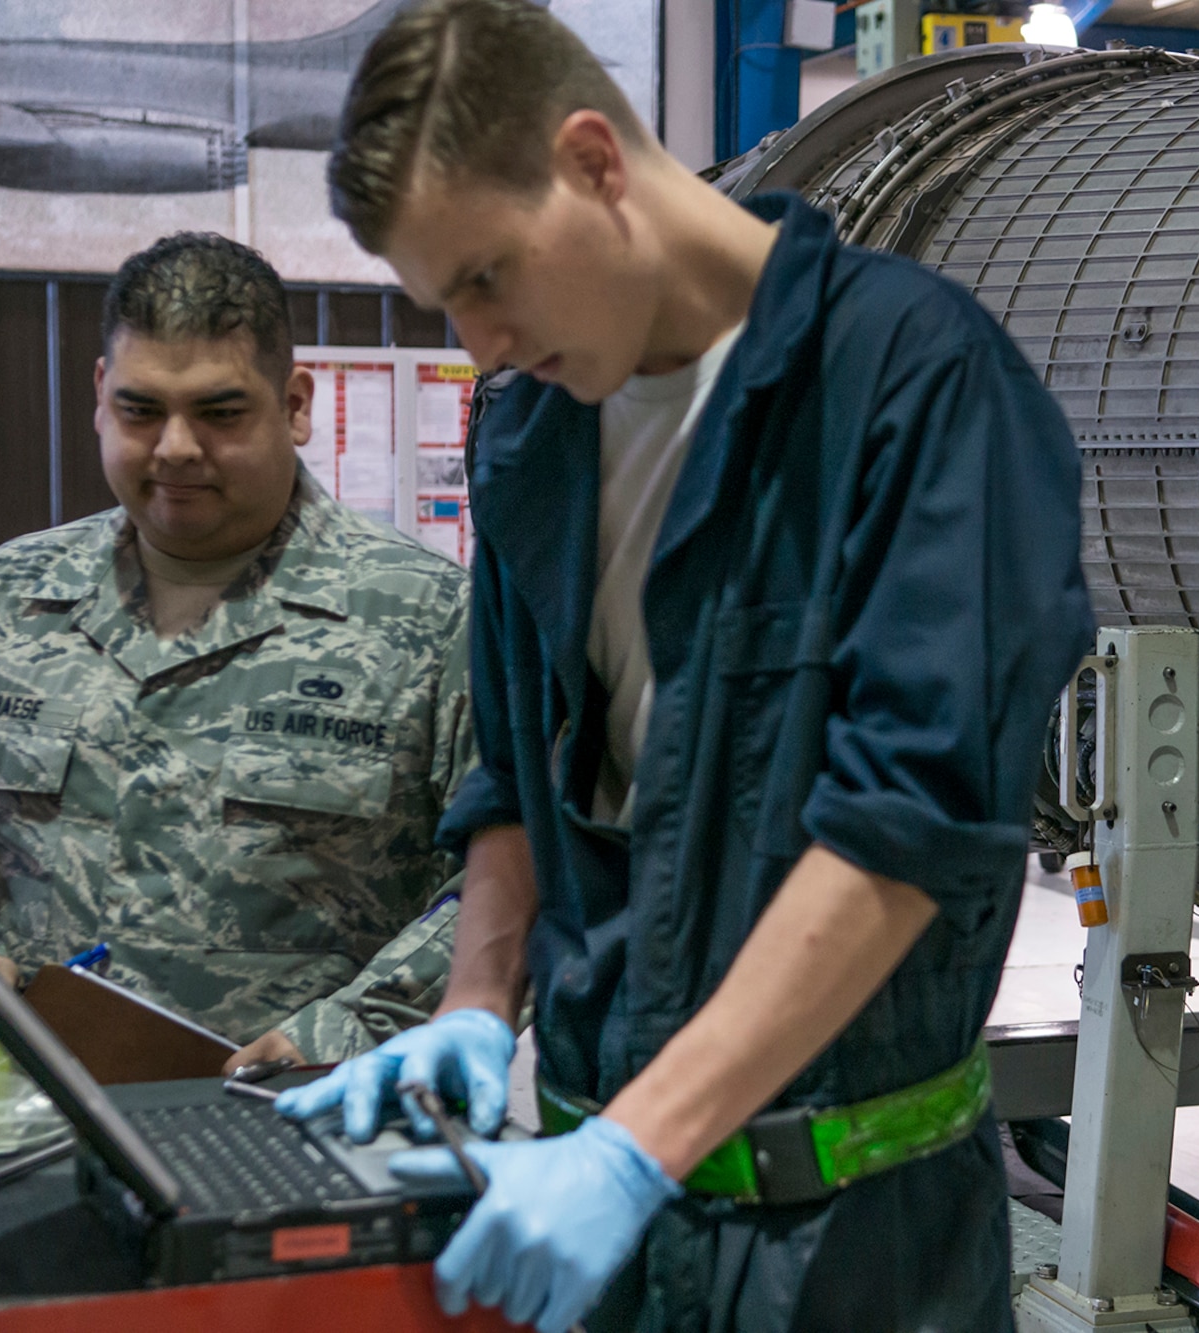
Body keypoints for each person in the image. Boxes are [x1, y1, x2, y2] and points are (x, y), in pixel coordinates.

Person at [272, 2, 1095, 1329]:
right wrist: (478, 1005)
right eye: (445, 300)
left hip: (849, 1252)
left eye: (486, 275)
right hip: (607, 1232)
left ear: (596, 162)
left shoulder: (917, 383)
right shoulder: (531, 424)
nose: (478, 340)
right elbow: (515, 764)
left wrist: (632, 1148)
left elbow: (911, 832)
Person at [0, 232, 474, 1067]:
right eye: (142, 410)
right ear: (100, 395)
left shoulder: (428, 618)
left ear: (295, 403)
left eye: (220, 411)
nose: (175, 446)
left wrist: (349, 1032)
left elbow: (514, 881)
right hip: (38, 1116)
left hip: (309, 1127)